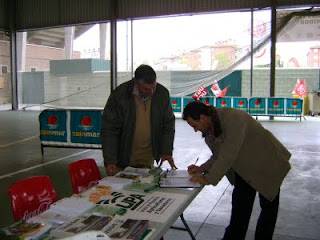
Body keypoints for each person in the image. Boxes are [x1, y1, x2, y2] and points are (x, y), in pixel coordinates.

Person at [182, 101, 291, 240]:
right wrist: (201, 168)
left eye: (194, 126)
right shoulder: (209, 132)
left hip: (267, 163)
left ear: (203, 117)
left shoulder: (234, 118)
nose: (195, 130)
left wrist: (209, 178)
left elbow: (229, 153)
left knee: (268, 210)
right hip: (245, 168)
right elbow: (218, 155)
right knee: (240, 210)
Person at [100, 64, 177, 176]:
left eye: (153, 87)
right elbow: (109, 129)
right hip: (123, 159)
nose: (151, 92)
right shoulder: (119, 95)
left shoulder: (162, 94)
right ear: (136, 83)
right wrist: (110, 160)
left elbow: (168, 124)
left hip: (147, 159)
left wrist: (166, 151)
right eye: (146, 88)